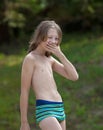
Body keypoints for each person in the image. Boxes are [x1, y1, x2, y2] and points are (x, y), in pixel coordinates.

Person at [20, 20, 79, 130]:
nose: (53, 41)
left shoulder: (50, 60)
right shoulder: (30, 59)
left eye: (56, 39)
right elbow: (24, 91)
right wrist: (24, 122)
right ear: (40, 36)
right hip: (45, 109)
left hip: (59, 107)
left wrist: (60, 55)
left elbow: (74, 76)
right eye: (50, 37)